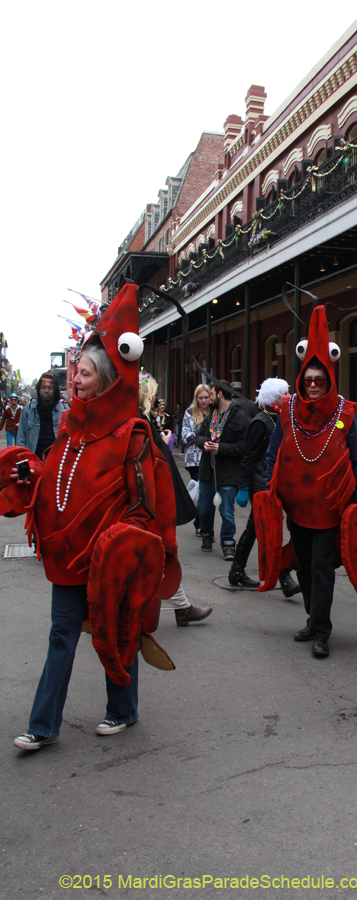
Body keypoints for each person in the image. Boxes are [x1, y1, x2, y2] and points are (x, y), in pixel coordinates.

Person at [3, 284, 180, 750]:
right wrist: (32, 475)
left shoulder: (132, 436)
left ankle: (123, 710)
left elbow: (145, 507)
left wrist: (129, 552)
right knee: (62, 633)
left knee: (119, 633)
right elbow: (58, 482)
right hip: (66, 558)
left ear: (105, 379)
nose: (73, 380)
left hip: (110, 563)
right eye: (73, 373)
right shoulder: (69, 429)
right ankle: (43, 725)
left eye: (83, 373)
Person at [265, 306, 357, 659]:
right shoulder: (287, 410)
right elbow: (272, 452)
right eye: (307, 379)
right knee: (305, 565)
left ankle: (322, 630)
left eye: (319, 381)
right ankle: (312, 618)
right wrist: (268, 488)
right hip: (297, 507)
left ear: (329, 381)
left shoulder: (345, 413)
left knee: (323, 568)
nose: (312, 386)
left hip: (329, 507)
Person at [139, 374, 212, 626]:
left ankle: (181, 607)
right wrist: (164, 443)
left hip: (154, 495)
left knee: (161, 553)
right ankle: (179, 607)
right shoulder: (140, 420)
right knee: (158, 552)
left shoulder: (143, 418)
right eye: (153, 393)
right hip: (149, 499)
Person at [228, 377, 301, 598]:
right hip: (261, 483)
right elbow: (248, 457)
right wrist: (243, 488)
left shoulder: (285, 418)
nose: (287, 397)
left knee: (256, 529)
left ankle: (237, 572)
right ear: (273, 398)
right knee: (265, 529)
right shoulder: (260, 422)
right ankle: (283, 577)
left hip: (279, 481)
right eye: (283, 394)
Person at [197, 381, 249, 559]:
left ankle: (228, 543)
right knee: (204, 508)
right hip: (207, 471)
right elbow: (199, 436)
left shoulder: (241, 418)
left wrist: (222, 449)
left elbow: (244, 446)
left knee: (226, 510)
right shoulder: (211, 415)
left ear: (219, 394)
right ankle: (206, 535)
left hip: (227, 473)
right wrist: (203, 443)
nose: (209, 398)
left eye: (211, 394)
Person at [17, 371, 69, 457]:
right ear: (38, 388)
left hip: (56, 462)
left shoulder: (65, 410)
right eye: (43, 387)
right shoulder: (28, 409)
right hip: (34, 462)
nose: (46, 391)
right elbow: (21, 439)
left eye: (50, 388)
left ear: (55, 390)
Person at [182, 384, 211, 534]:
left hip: (211, 458)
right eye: (201, 398)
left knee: (208, 494)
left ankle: (204, 522)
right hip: (194, 459)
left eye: (206, 397)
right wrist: (198, 431)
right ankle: (199, 522)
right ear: (196, 398)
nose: (204, 401)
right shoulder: (189, 413)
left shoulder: (215, 412)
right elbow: (185, 438)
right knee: (200, 492)